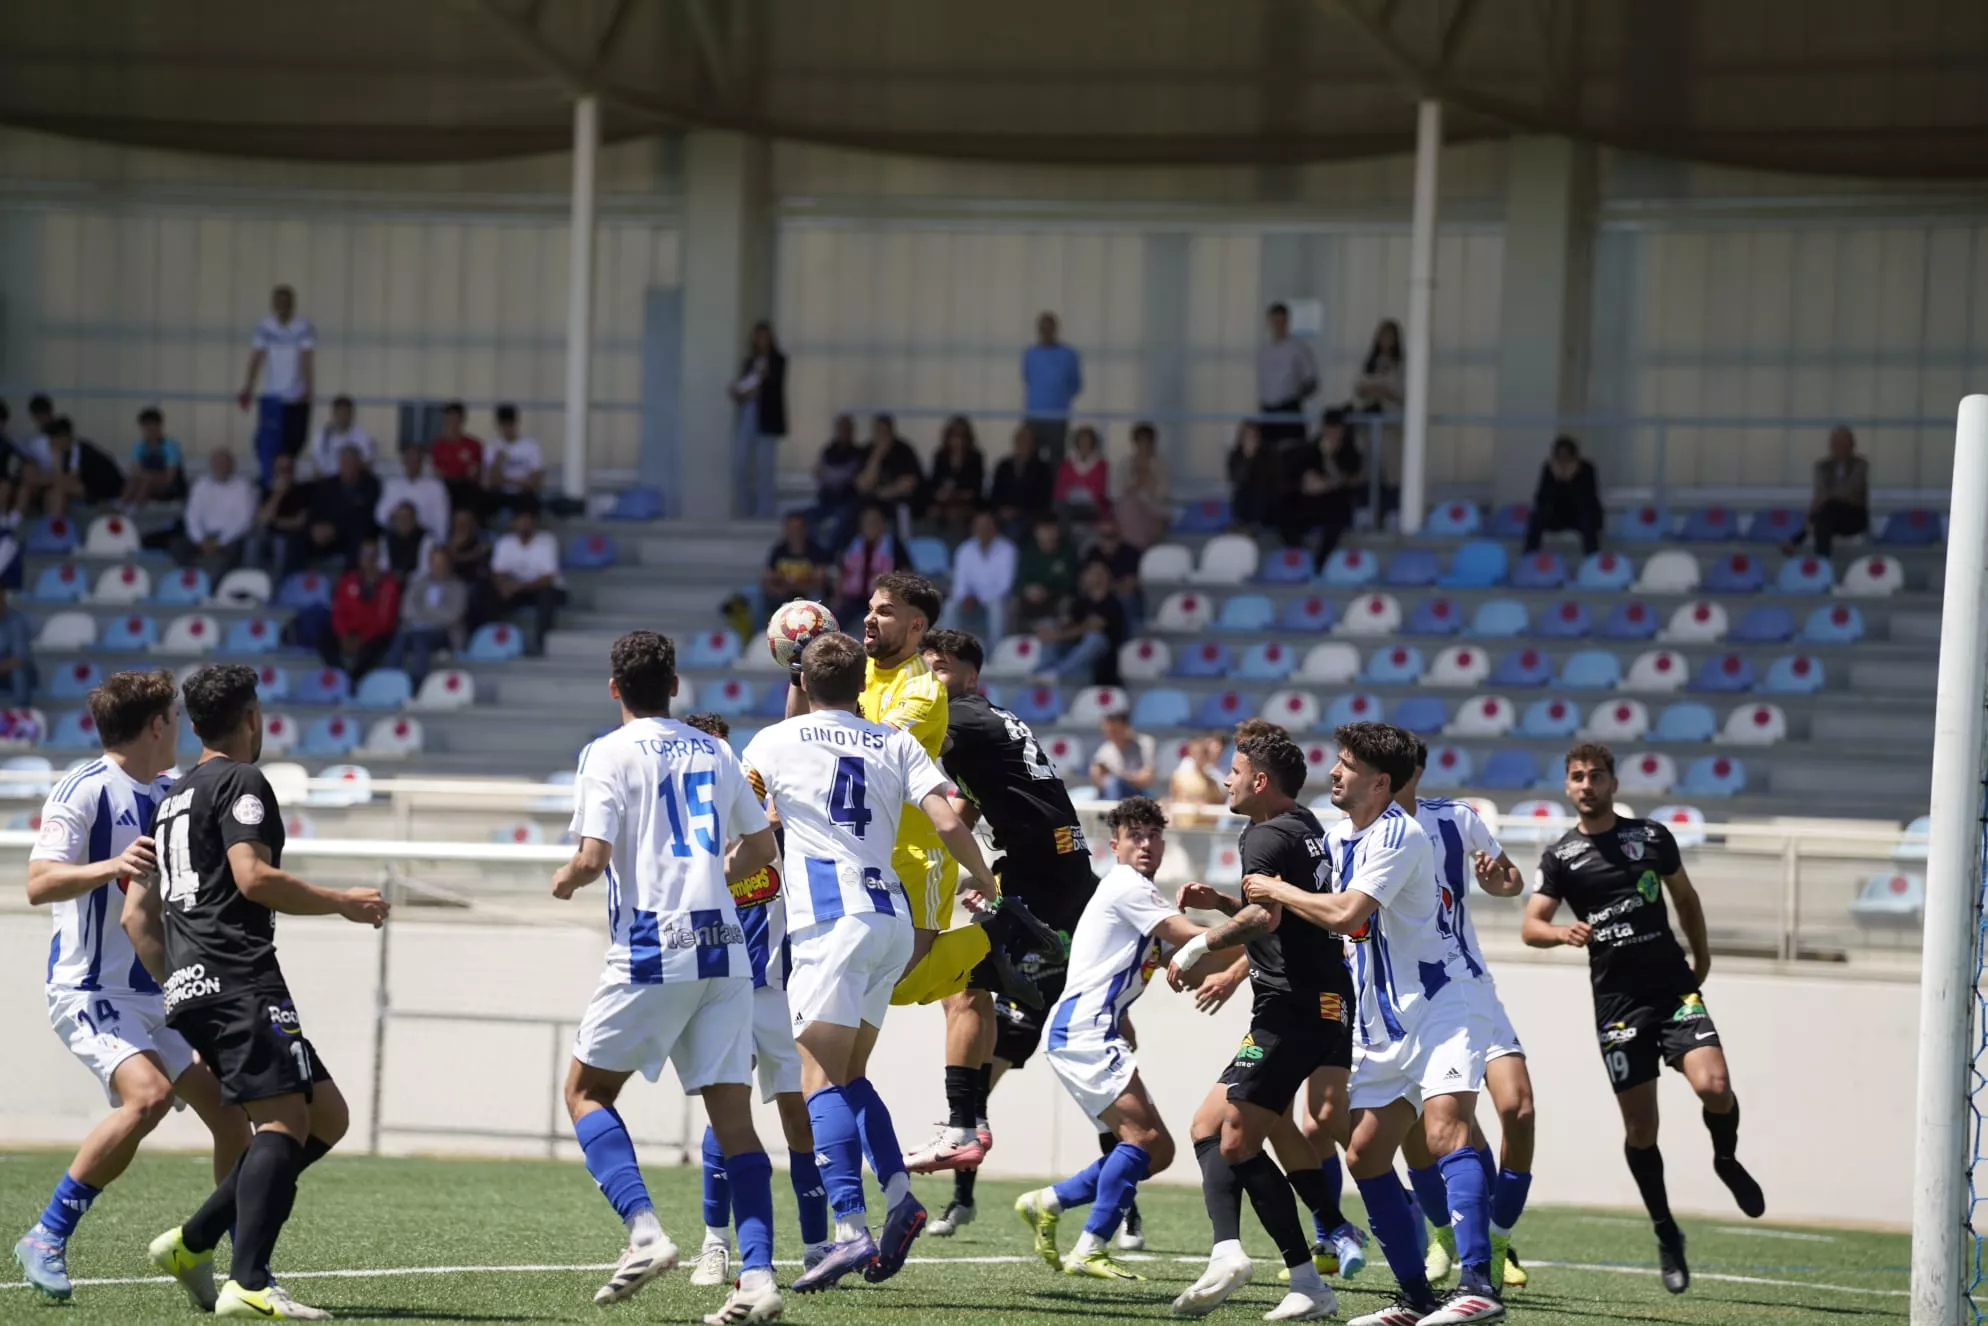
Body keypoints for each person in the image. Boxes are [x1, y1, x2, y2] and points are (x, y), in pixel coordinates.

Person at [742, 631, 1002, 1292]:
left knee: (817, 1079)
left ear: (802, 681)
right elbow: (949, 822)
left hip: (831, 921)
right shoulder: (894, 741)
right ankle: (900, 1198)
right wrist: (985, 881)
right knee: (851, 1075)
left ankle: (851, 1229)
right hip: (890, 919)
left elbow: (744, 817)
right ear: (863, 685)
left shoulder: (774, 741)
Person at [132, 662, 388, 1321]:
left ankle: (193, 1242)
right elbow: (253, 877)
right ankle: (248, 1281)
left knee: (326, 1117)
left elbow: (137, 916)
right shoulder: (243, 780)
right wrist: (342, 902)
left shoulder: (171, 798)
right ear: (252, 718)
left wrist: (178, 984)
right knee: (285, 1122)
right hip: (237, 975)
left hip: (194, 983)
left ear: (194, 726)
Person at [548, 631, 784, 1319]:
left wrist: (565, 879)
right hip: (724, 946)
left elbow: (593, 858)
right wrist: (712, 878)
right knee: (733, 1119)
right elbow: (761, 846)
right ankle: (758, 1277)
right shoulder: (715, 749)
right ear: (675, 685)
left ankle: (645, 1233)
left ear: (614, 688)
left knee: (586, 1091)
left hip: (654, 943)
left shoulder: (607, 752)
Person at [1239, 722, 1497, 1326]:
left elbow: (1345, 913)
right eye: (1337, 761)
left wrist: (1275, 886)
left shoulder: (1400, 833)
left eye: (1347, 765)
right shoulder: (1337, 838)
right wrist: (1229, 936)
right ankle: (1416, 1299)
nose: (1333, 772)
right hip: (1387, 1022)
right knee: (1364, 1154)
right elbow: (1303, 921)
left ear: (1380, 783)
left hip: (1445, 1003)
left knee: (1445, 1131)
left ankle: (1479, 1285)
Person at [12, 671, 251, 1306]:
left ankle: (227, 1261)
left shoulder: (174, 791)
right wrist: (111, 866)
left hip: (159, 996)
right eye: (174, 717)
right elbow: (38, 883)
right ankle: (46, 1234)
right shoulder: (84, 789)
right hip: (90, 990)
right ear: (156, 726)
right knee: (147, 1097)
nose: (181, 728)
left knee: (233, 1118)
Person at [1524, 742, 1764, 1296]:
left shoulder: (1651, 836)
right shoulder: (1561, 857)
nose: (1587, 785)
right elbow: (1531, 926)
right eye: (1577, 777)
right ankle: (1665, 1230)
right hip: (1618, 1004)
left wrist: (1702, 959)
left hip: (1673, 989)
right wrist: (1560, 932)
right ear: (1568, 787)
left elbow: (1686, 900)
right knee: (1641, 1129)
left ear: (1613, 783)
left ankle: (1725, 1158)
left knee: (1715, 1087)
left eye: (1596, 776)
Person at [909, 631, 1099, 1226]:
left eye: (940, 670)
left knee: (963, 989)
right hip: (1047, 870)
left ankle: (962, 1126)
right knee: (971, 992)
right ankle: (972, 1122)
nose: (929, 681)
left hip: (1041, 876)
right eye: (925, 670)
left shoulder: (960, 718)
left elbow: (894, 747)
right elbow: (968, 802)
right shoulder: (985, 721)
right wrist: (963, 867)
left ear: (970, 677)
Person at [1164, 733, 1350, 1322]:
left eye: (1236, 770)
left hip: (1294, 1007)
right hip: (1305, 1003)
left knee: (1239, 1139)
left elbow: (1265, 915)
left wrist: (1199, 944)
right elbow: (1283, 916)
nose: (1227, 779)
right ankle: (1234, 1251)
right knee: (1209, 1126)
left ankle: (1309, 1275)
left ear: (1261, 781)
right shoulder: (1304, 825)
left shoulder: (1263, 835)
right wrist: (1224, 903)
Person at [1014, 795, 1208, 1283]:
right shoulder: (1126, 886)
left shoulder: (1142, 895)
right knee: (1143, 1140)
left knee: (1157, 1151)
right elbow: (1187, 935)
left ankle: (1049, 1201)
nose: (1145, 845)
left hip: (1091, 1030)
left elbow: (1190, 955)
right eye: (1134, 836)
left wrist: (1249, 958)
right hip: (1085, 1030)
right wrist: (1252, 926)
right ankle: (1091, 1247)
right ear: (1115, 846)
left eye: (1153, 836)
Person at [676, 712, 832, 1291]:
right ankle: (715, 1245)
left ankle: (816, 1247)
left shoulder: (773, 820)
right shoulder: (683, 834)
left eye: (726, 753)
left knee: (801, 1116)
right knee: (727, 1115)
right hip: (722, 990)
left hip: (782, 993)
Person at [1397, 740, 1535, 1293]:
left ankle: (1497, 1241)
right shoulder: (1358, 833)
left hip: (1472, 988)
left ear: (1413, 772)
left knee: (1518, 1109)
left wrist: (1501, 883)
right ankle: (1444, 1233)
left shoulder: (1456, 818)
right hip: (1409, 1002)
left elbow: (1510, 878)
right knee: (1430, 1129)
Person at [238, 286, 315, 482]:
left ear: (292, 305)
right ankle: (269, 480)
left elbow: (306, 357)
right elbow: (257, 357)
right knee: (270, 443)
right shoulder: (265, 326)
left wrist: (308, 388)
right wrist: (248, 387)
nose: (282, 307)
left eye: (286, 303)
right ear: (273, 305)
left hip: (296, 395)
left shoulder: (302, 326)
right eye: (279, 303)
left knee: (294, 442)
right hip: (272, 395)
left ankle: (287, 481)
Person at [1284, 409, 1367, 570]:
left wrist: (1328, 460)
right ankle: (1301, 556)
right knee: (1286, 508)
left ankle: (1320, 563)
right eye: (1328, 428)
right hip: (1311, 500)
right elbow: (1300, 472)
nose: (1331, 433)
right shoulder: (1311, 447)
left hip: (1336, 501)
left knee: (1337, 516)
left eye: (1335, 429)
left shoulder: (1350, 451)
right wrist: (1306, 483)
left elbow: (1350, 479)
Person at [1032, 558, 1125, 685]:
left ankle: (1057, 672)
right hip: (1075, 650)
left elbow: (1090, 627)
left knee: (1095, 638)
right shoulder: (1081, 601)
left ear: (1106, 577)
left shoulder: (1113, 603)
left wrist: (1056, 636)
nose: (1094, 576)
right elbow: (1069, 623)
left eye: (1098, 573)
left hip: (1099, 658)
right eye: (1091, 573)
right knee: (1048, 623)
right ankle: (1044, 669)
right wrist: (1051, 628)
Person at [387, 546, 467, 688]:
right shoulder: (419, 584)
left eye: (441, 563)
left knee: (420, 638)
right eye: (434, 563)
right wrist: (432, 613)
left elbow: (453, 616)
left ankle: (418, 683)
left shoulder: (458, 587)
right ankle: (388, 679)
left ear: (448, 564)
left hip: (444, 634)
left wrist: (424, 612)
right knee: (400, 637)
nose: (438, 567)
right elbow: (406, 611)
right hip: (415, 629)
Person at [731, 321, 788, 519]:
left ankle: (765, 512)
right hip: (748, 414)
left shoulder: (778, 361)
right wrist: (739, 392)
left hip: (767, 418)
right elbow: (743, 390)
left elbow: (771, 385)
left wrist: (756, 384)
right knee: (739, 464)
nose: (761, 341)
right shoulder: (749, 362)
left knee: (765, 468)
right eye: (758, 337)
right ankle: (746, 510)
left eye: (765, 337)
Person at [489, 507, 565, 655]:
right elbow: (497, 572)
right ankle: (491, 641)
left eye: (528, 521)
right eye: (521, 521)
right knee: (488, 592)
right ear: (513, 523)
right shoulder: (505, 542)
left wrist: (519, 586)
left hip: (543, 589)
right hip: (515, 589)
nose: (524, 525)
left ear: (534, 523)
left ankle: (540, 644)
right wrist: (503, 586)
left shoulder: (547, 541)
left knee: (546, 595)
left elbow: (549, 578)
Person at [323, 536, 401, 680]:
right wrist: (343, 634)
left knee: (381, 643)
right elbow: (338, 611)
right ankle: (341, 674)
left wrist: (363, 638)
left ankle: (355, 679)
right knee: (324, 634)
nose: (369, 559)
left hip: (372, 635)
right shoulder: (348, 580)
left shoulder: (389, 584)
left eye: (373, 555)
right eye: (365, 554)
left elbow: (385, 620)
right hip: (349, 632)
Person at [1785, 425, 1870, 556]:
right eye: (1836, 442)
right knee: (1825, 514)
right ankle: (1822, 557)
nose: (1839, 446)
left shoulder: (1860, 465)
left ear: (1852, 445)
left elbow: (1851, 491)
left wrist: (1827, 496)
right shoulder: (1822, 467)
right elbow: (1819, 493)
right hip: (1828, 515)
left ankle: (1798, 541)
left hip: (1853, 515)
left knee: (1828, 508)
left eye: (1843, 442)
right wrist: (1812, 513)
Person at [299, 446, 381, 576]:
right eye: (345, 462)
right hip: (325, 535)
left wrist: (335, 529)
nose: (348, 466)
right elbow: (315, 510)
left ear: (359, 464)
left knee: (358, 536)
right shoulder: (328, 485)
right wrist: (315, 528)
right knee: (298, 537)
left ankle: (350, 580)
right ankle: (293, 581)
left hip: (351, 534)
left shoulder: (370, 484)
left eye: (352, 462)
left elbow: (365, 515)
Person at [177, 449, 257, 578]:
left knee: (236, 549)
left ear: (232, 466)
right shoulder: (200, 485)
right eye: (217, 463)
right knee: (178, 546)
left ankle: (218, 584)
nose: (221, 467)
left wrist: (220, 542)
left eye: (225, 464)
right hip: (203, 536)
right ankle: (196, 578)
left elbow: (243, 521)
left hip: (230, 537)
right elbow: (192, 516)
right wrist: (200, 540)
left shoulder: (243, 487)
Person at [943, 509, 1016, 644]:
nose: (982, 529)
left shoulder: (1007, 549)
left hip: (996, 597)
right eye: (978, 526)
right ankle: (949, 647)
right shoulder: (964, 549)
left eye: (986, 525)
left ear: (994, 528)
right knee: (950, 605)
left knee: (996, 606)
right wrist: (965, 596)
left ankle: (995, 650)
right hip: (969, 598)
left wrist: (978, 598)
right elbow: (960, 582)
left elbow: (1005, 585)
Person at [1522, 436, 1604, 556]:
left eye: (1566, 455)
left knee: (1588, 519)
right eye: (1560, 455)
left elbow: (1588, 497)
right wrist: (1557, 480)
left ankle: (1593, 558)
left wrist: (1570, 481)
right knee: (1537, 518)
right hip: (1556, 514)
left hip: (1579, 513)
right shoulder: (1549, 468)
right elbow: (1541, 497)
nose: (1563, 459)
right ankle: (1529, 556)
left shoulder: (1587, 468)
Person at [1022, 311, 1083, 466]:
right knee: (1030, 459)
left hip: (1057, 417)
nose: (1046, 332)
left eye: (1049, 328)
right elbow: (1028, 379)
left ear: (1055, 329)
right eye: (1043, 328)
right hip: (1033, 416)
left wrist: (1059, 398)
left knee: (1056, 460)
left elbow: (1075, 384)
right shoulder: (1030, 354)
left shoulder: (1068, 354)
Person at [1258, 302, 1319, 451]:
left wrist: (1296, 396)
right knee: (1269, 452)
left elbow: (1312, 380)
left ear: (1287, 322)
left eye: (1282, 321)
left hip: (1289, 408)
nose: (1278, 326)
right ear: (1270, 323)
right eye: (1275, 321)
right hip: (1268, 411)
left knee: (1292, 451)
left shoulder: (1298, 348)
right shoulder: (1265, 351)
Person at [834, 504, 908, 626]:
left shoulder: (893, 545)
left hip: (882, 600)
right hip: (852, 600)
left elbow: (905, 572)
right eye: (867, 522)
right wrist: (838, 599)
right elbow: (843, 572)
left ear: (883, 524)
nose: (870, 526)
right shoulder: (852, 543)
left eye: (875, 521)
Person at [853, 415, 925, 535]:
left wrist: (885, 492)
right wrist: (877, 457)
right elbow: (863, 484)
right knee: (857, 508)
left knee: (902, 509)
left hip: (897, 500)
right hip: (873, 501)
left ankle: (902, 543)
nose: (882, 437)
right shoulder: (866, 451)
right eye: (879, 432)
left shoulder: (904, 450)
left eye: (885, 432)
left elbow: (910, 483)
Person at [248, 453, 312, 576]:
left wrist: (274, 521)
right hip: (267, 536)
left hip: (291, 538)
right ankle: (251, 579)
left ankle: (279, 582)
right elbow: (262, 520)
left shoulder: (303, 491)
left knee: (280, 542)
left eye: (288, 469)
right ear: (274, 471)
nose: (284, 473)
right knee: (253, 540)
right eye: (281, 469)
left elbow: (299, 522)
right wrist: (278, 495)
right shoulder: (267, 492)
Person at [812, 414, 869, 551]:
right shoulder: (828, 451)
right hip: (826, 501)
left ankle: (834, 553)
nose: (844, 432)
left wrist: (834, 476)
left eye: (847, 429)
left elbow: (861, 482)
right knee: (806, 518)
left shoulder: (859, 454)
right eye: (841, 429)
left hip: (848, 502)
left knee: (844, 520)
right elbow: (820, 474)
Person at [762, 511, 834, 614]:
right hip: (783, 596)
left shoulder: (816, 551)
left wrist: (792, 586)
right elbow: (767, 579)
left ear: (805, 529)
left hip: (808, 596)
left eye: (797, 528)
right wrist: (778, 590)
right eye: (791, 528)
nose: (794, 532)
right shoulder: (778, 551)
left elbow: (819, 582)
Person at [1014, 512, 1076, 631]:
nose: (1049, 533)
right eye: (1044, 529)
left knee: (1067, 603)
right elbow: (1020, 581)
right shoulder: (1028, 551)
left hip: (1057, 598)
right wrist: (1028, 590)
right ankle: (1013, 638)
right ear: (1036, 532)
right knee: (1014, 604)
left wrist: (1047, 591)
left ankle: (1060, 636)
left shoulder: (1067, 550)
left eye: (1052, 528)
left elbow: (1071, 582)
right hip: (1032, 598)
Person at [928, 416, 986, 541]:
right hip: (942, 503)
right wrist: (939, 494)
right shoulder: (940, 456)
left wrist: (955, 495)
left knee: (955, 515)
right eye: (954, 436)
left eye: (962, 437)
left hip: (966, 503)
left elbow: (975, 490)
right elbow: (933, 483)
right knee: (933, 512)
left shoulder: (975, 458)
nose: (958, 441)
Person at [1114, 422, 1171, 550]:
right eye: (1140, 441)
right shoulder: (1125, 463)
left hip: (1154, 510)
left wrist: (1147, 485)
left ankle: (1138, 547)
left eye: (1147, 442)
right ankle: (1133, 547)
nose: (1143, 446)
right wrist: (1137, 484)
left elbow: (1163, 495)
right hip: (1130, 511)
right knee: (1129, 506)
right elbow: (1120, 490)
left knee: (1135, 510)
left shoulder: (1161, 466)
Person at [1082, 518, 1144, 635]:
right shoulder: (1092, 553)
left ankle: (1129, 637)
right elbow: (1085, 581)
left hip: (1122, 597)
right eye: (1104, 536)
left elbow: (1130, 585)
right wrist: (1108, 585)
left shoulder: (1131, 553)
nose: (1108, 540)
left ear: (1119, 535)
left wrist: (1102, 584)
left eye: (1112, 536)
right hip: (1098, 595)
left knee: (1127, 598)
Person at [990, 424, 1054, 534]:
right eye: (1021, 440)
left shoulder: (1042, 469)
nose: (1024, 444)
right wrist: (1002, 510)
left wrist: (1018, 511)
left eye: (1028, 441)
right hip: (1002, 514)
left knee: (1016, 529)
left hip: (1029, 515)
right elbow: (996, 493)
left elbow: (1043, 499)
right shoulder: (1003, 466)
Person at [486, 404, 546, 517]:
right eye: (504, 425)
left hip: (524, 495)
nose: (507, 429)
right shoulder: (493, 448)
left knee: (529, 505)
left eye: (510, 425)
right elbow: (491, 481)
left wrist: (506, 480)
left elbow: (536, 482)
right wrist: (498, 463)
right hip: (501, 494)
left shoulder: (531, 447)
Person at [428, 402, 484, 518]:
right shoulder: (438, 445)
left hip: (466, 487)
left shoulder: (473, 445)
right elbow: (438, 472)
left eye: (456, 419)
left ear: (462, 420)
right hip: (446, 487)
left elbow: (474, 472)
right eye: (450, 419)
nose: (453, 423)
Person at [123, 407, 187, 506]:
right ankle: (121, 507)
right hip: (146, 480)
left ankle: (135, 509)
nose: (149, 431)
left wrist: (149, 477)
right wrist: (145, 476)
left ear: (159, 426)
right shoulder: (138, 447)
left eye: (152, 427)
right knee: (133, 482)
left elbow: (170, 476)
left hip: (172, 486)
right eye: (146, 427)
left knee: (146, 483)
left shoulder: (170, 446)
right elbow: (135, 472)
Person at [305, 395, 375, 481]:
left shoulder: (360, 435)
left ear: (351, 414)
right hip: (327, 480)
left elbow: (367, 462)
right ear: (334, 413)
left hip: (350, 481)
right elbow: (316, 465)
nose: (343, 417)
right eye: (340, 413)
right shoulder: (322, 435)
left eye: (346, 413)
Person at [1089, 709, 1156, 800]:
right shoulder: (1105, 749)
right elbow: (1099, 782)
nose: (1110, 734)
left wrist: (1120, 777)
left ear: (1126, 727)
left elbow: (1145, 779)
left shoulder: (1144, 743)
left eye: (1115, 730)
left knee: (1113, 782)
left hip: (1138, 794)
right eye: (1107, 731)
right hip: (1111, 793)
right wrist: (1097, 775)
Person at [1053, 424, 1111, 522]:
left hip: (1092, 507)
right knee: (1060, 509)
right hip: (1069, 505)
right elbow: (1059, 491)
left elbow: (1101, 491)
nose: (1084, 445)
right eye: (1081, 442)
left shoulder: (1101, 465)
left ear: (1093, 444)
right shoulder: (1066, 465)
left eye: (1088, 442)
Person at [1169, 732, 1229, 826]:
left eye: (1203, 753)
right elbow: (1174, 798)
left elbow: (1219, 801)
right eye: (1196, 753)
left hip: (1205, 828)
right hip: (1184, 826)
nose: (1199, 756)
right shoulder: (1179, 776)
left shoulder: (1211, 781)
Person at [1229, 420, 1279, 533]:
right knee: (1242, 490)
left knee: (1257, 490)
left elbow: (1269, 479)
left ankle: (1254, 524)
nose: (1250, 439)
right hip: (1245, 497)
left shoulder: (1269, 454)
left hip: (1266, 498)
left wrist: (1253, 458)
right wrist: (1247, 458)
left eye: (1252, 436)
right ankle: (1240, 523)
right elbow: (1237, 479)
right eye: (1246, 436)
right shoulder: (1235, 455)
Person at [0, 586, 34, 705]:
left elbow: (19, 659)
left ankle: (20, 709)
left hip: (10, 675)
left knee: (18, 672)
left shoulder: (16, 621)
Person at [380, 500, 428, 578]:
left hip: (417, 581)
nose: (403, 521)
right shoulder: (386, 539)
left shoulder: (425, 539)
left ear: (414, 520)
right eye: (400, 517)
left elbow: (425, 569)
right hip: (393, 580)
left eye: (407, 517)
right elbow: (384, 565)